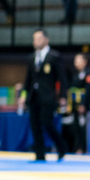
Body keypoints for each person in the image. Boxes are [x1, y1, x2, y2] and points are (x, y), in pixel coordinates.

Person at [19, 28, 68, 162]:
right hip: (33, 96)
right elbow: (28, 80)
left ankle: (61, 146)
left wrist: (63, 96)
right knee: (34, 125)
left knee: (47, 123)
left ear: (46, 40)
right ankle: (40, 154)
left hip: (48, 96)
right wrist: (23, 95)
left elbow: (62, 78)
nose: (36, 41)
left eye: (39, 39)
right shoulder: (31, 58)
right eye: (35, 39)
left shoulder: (54, 56)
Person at [62, 53, 90, 154]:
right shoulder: (75, 75)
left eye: (78, 60)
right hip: (74, 105)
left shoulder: (88, 74)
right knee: (75, 127)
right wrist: (69, 104)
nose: (76, 63)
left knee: (82, 128)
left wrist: (83, 104)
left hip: (83, 106)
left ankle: (83, 148)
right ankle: (77, 148)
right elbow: (71, 90)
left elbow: (89, 90)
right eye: (75, 61)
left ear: (84, 61)